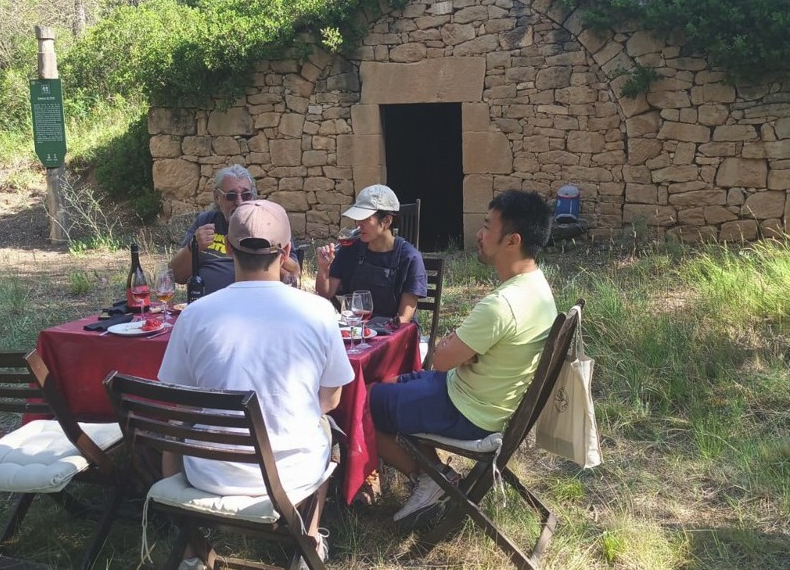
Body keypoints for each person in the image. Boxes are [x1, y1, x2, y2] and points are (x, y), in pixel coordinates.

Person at [158, 200, 353, 569]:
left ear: (228, 249)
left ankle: (189, 551)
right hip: (291, 475)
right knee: (326, 427)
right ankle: (308, 538)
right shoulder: (318, 311)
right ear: (287, 252)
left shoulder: (194, 315)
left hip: (208, 472)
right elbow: (331, 397)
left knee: (177, 427)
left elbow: (179, 402)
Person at [369, 190, 556, 523]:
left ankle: (430, 478)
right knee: (389, 382)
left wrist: (456, 347)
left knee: (361, 405)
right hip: (474, 396)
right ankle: (436, 474)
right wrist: (462, 350)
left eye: (487, 227)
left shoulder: (502, 306)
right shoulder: (537, 287)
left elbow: (441, 358)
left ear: (512, 240)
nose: (480, 235)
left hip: (468, 411)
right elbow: (452, 356)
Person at [170, 165, 301, 294]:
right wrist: (193, 246)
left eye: (246, 195)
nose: (239, 202)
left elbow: (293, 274)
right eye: (231, 196)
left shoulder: (269, 222)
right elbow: (176, 276)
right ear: (217, 197)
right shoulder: (206, 221)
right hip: (211, 307)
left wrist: (266, 251)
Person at [315, 184, 426, 323]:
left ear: (386, 221)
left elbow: (404, 318)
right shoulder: (350, 249)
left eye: (365, 219)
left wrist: (376, 332)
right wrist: (324, 268)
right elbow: (325, 294)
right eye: (357, 219)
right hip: (356, 330)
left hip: (394, 334)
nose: (358, 225)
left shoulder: (410, 258)